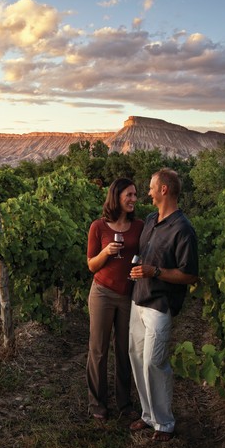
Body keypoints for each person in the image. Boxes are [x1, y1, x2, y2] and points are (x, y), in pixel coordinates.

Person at [128, 168, 199, 442]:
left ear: (164, 190)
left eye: (151, 187)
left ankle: (165, 423)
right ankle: (148, 415)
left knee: (154, 363)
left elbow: (190, 274)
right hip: (138, 299)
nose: (148, 192)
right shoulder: (150, 220)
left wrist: (154, 272)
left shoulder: (183, 229)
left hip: (160, 304)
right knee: (137, 359)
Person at [86, 178, 145, 422]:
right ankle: (97, 402)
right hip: (102, 292)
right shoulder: (98, 227)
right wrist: (105, 252)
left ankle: (125, 402)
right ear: (117, 197)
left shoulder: (139, 226)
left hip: (128, 294)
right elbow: (91, 265)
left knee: (124, 350)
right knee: (98, 350)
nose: (133, 199)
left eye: (135, 195)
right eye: (128, 195)